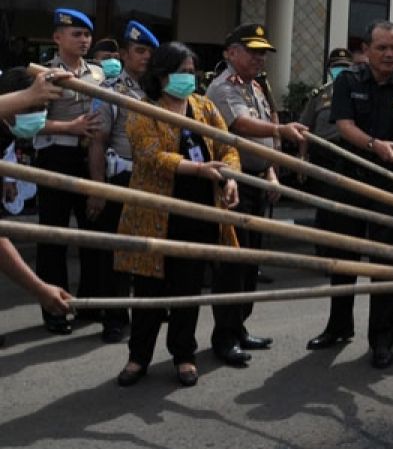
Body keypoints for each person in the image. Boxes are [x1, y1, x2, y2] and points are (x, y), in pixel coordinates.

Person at [114, 42, 240, 387]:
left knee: (187, 290)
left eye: (191, 72)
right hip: (154, 215)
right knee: (149, 294)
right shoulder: (144, 110)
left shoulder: (203, 107)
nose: (189, 78)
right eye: (181, 72)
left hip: (198, 215)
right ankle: (138, 357)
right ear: (161, 74)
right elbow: (151, 155)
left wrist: (230, 179)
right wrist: (198, 169)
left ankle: (184, 355)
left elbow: (228, 147)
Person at [204, 23, 307, 367]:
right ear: (230, 52)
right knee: (232, 263)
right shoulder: (223, 87)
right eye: (252, 51)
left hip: (258, 179)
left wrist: (272, 170)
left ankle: (240, 326)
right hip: (235, 182)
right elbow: (241, 126)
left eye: (263, 53)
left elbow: (264, 140)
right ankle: (224, 336)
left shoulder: (257, 86)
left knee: (251, 261)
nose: (259, 58)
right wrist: (280, 130)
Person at [326, 20, 393, 368]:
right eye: (382, 47)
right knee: (344, 259)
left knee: (385, 264)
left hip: (389, 187)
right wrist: (374, 145)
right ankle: (337, 326)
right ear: (367, 50)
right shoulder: (348, 81)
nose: (389, 54)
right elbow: (344, 126)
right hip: (351, 181)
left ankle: (381, 341)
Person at [85, 20, 161, 343]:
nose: (145, 57)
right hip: (120, 177)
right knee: (113, 254)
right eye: (140, 51)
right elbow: (97, 142)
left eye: (150, 52)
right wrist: (98, 187)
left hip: (151, 179)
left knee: (145, 250)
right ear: (126, 54)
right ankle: (114, 318)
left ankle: (144, 312)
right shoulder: (110, 91)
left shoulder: (157, 91)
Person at [31, 8, 104, 335]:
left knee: (91, 234)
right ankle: (54, 308)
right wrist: (70, 127)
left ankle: (89, 303)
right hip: (55, 157)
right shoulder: (43, 74)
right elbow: (30, 124)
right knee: (54, 237)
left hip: (90, 158)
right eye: (76, 34)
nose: (84, 40)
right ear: (57, 37)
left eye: (87, 34)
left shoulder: (99, 74)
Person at [0, 68, 74, 331]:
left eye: (44, 108)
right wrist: (39, 288)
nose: (40, 115)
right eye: (35, 106)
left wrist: (40, 289)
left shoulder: (6, 132)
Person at [298, 47, 360, 351]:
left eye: (345, 66)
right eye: (336, 66)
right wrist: (302, 161)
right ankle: (339, 325)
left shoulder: (365, 92)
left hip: (363, 168)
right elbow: (305, 129)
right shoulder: (320, 95)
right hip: (327, 164)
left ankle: (384, 334)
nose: (340, 70)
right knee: (340, 249)